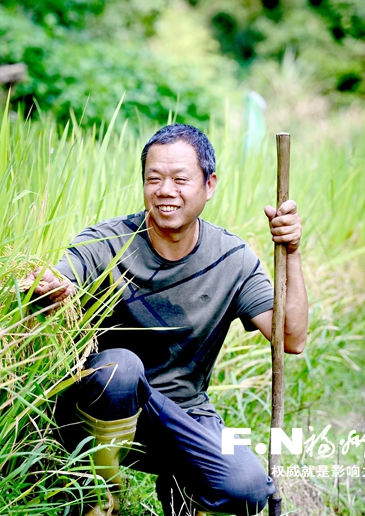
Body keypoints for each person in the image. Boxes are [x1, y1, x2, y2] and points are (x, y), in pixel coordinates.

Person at [30, 123, 308, 516]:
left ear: (209, 185)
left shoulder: (232, 259)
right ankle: (97, 497)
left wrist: (292, 252)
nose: (165, 191)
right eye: (154, 179)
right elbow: (63, 278)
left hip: (182, 413)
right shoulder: (105, 242)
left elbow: (291, 338)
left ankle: (181, 494)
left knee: (247, 487)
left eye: (180, 179)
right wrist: (46, 286)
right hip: (104, 406)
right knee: (120, 367)